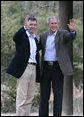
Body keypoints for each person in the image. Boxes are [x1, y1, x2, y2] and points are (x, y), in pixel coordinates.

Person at [39, 16, 76, 116]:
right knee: (44, 96)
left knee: (58, 95)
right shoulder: (43, 35)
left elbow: (70, 37)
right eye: (52, 23)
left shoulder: (63, 34)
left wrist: (72, 31)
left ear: (58, 24)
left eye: (55, 23)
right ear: (48, 25)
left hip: (57, 68)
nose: (54, 25)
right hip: (45, 68)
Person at [6, 15, 40, 116]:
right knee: (22, 97)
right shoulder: (22, 36)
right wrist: (24, 28)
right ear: (27, 25)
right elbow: (15, 38)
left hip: (34, 68)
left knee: (30, 97)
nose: (33, 26)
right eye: (30, 24)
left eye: (35, 25)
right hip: (24, 69)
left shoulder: (35, 39)